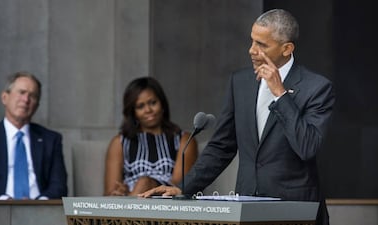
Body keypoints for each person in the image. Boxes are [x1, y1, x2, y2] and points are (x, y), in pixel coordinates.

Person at [139, 9, 335, 225]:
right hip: (247, 208)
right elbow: (222, 146)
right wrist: (183, 188)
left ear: (286, 48)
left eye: (262, 45)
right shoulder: (240, 83)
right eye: (252, 41)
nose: (252, 50)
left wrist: (280, 94)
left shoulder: (316, 87)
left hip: (296, 210)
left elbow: (307, 147)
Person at [0, 71, 68, 199]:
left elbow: (59, 187)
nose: (26, 100)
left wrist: (40, 205)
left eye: (33, 96)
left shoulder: (51, 140)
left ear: (37, 105)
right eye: (21, 92)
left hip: (41, 212)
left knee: (92, 211)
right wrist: (7, 202)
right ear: (4, 98)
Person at [104, 76, 198, 196]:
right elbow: (110, 193)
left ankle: (129, 212)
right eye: (140, 106)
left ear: (162, 104)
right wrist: (121, 192)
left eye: (153, 103)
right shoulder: (120, 142)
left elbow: (179, 187)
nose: (148, 110)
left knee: (145, 182)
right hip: (129, 198)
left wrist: (148, 185)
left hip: (166, 201)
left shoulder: (183, 140)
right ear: (133, 113)